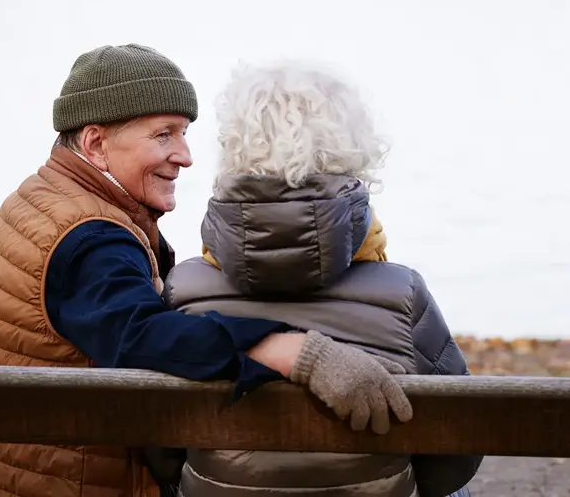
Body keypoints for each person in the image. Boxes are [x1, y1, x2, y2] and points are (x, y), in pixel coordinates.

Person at [0, 45, 414, 497]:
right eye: (163, 134)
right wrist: (286, 349)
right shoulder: (89, 236)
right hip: (61, 483)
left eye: (185, 133)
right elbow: (139, 338)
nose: (185, 155)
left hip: (9, 471)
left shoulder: (48, 198)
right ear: (96, 143)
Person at [163, 60, 483, 497]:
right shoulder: (403, 294)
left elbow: (160, 453)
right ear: (351, 152)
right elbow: (455, 455)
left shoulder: (184, 291)